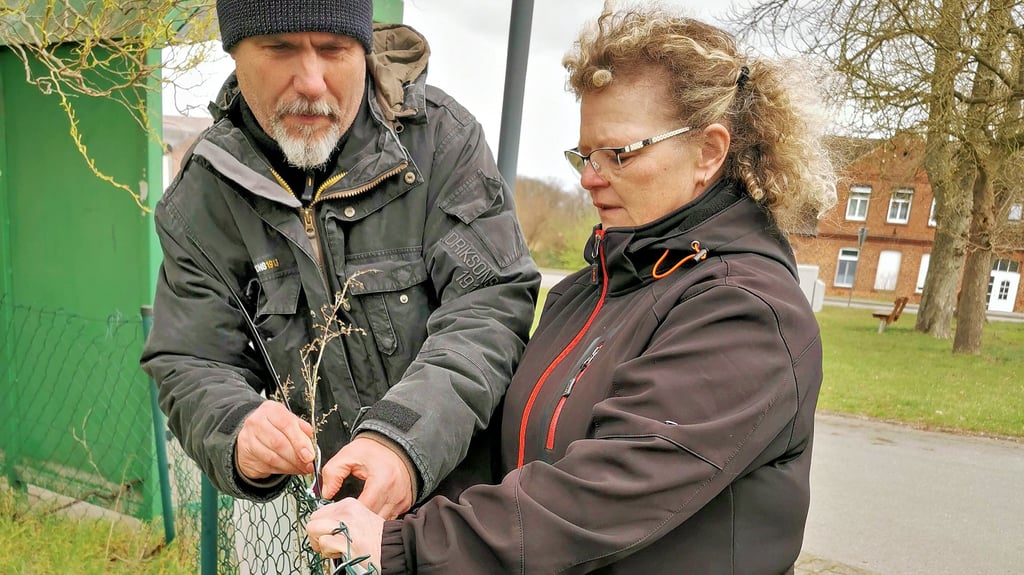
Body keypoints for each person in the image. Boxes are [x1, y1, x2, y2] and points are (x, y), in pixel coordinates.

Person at [306, 6, 837, 574]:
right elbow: (508, 451)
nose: (589, 177)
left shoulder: (745, 312)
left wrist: (400, 546)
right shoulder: (591, 289)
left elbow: (596, 498)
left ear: (708, 151)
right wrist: (402, 465)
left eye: (621, 154)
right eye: (586, 155)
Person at [140, 0, 539, 521]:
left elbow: (488, 308)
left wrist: (399, 441)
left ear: (363, 49)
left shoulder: (441, 142)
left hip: (465, 519)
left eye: (334, 49)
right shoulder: (204, 193)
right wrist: (238, 425)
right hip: (326, 526)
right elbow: (190, 358)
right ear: (235, 52)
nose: (311, 80)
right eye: (280, 47)